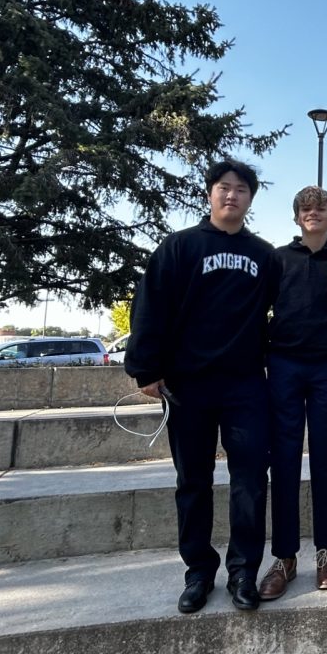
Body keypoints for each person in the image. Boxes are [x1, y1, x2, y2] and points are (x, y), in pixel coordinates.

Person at [125, 159, 280, 614]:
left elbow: (279, 310)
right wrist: (146, 368)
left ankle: (244, 572)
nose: (231, 195)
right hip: (187, 385)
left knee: (250, 481)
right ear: (210, 193)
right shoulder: (179, 247)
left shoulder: (264, 255)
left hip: (245, 385)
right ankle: (198, 573)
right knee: (192, 481)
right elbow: (150, 307)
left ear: (250, 199)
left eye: (241, 189)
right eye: (223, 187)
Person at [257, 186, 327, 601]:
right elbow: (258, 306)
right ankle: (284, 557)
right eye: (305, 209)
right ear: (297, 217)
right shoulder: (277, 258)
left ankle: (326, 552)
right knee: (282, 461)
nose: (313, 213)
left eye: (320, 208)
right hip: (282, 366)